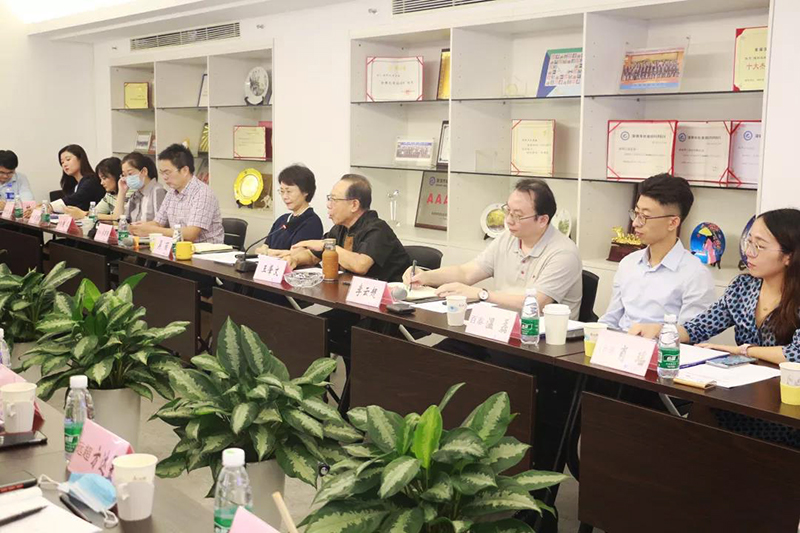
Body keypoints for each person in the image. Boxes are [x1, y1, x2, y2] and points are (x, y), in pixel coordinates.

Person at [631, 208, 800, 448]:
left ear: (789, 256)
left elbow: (795, 355)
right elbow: (701, 326)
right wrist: (660, 330)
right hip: (743, 395)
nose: (748, 252)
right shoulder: (743, 287)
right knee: (698, 415)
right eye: (748, 242)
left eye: (759, 246)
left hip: (786, 407)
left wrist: (740, 350)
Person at [404, 178, 582, 318]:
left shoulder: (563, 253)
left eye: (518, 215)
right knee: (435, 352)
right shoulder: (508, 238)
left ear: (542, 220)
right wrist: (426, 276)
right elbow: (466, 273)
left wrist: (481, 294)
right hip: (499, 329)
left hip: (537, 341)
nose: (509, 220)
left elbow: (537, 303)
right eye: (508, 211)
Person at [600, 174, 715, 331]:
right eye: (636, 213)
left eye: (645, 217)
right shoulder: (628, 263)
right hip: (620, 343)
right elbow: (610, 320)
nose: (635, 223)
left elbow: (690, 335)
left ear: (673, 222)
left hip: (662, 346)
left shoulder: (695, 275)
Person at [288, 174, 411, 282]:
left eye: (334, 199)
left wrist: (326, 245)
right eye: (329, 198)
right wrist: (294, 260)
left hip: (391, 297)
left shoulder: (378, 229)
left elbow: (360, 265)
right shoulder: (340, 228)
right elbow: (313, 256)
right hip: (349, 295)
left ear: (354, 205)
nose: (328, 205)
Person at [131, 144, 224, 244]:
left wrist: (153, 230)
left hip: (205, 251)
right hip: (179, 248)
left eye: (167, 172)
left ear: (185, 170)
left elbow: (191, 234)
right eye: (162, 173)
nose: (164, 177)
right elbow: (158, 223)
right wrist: (138, 227)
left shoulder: (202, 193)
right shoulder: (171, 192)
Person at [254, 164, 323, 254]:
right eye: (282, 191)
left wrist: (267, 252)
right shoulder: (282, 219)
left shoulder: (312, 222)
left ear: (305, 191)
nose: (285, 197)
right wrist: (265, 251)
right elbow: (263, 248)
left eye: (289, 191)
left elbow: (295, 254)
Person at [65, 157, 123, 221]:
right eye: (100, 179)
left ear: (117, 176)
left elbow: (117, 217)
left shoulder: (128, 194)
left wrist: (83, 214)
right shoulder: (109, 195)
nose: (101, 183)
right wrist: (81, 213)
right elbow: (95, 213)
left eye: (104, 178)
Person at [51, 145, 105, 212]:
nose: (64, 164)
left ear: (80, 159)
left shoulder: (91, 180)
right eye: (62, 162)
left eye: (68, 159)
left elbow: (75, 199)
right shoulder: (73, 185)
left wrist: (50, 206)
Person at [116, 152, 166, 223]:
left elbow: (160, 223)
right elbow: (118, 219)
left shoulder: (158, 191)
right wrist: (121, 192)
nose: (127, 178)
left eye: (130, 173)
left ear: (144, 171)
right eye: (124, 175)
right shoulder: (136, 195)